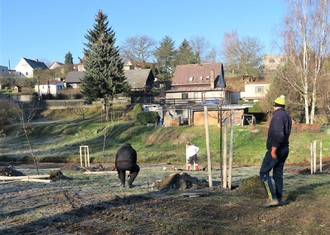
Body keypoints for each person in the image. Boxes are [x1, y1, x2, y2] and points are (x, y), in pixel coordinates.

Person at [259, 95, 292, 207]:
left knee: (264, 172)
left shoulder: (278, 116)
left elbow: (279, 134)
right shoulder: (286, 116)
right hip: (285, 148)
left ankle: (272, 198)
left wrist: (273, 150)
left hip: (276, 149)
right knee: (278, 174)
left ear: (275, 105)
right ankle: (279, 199)